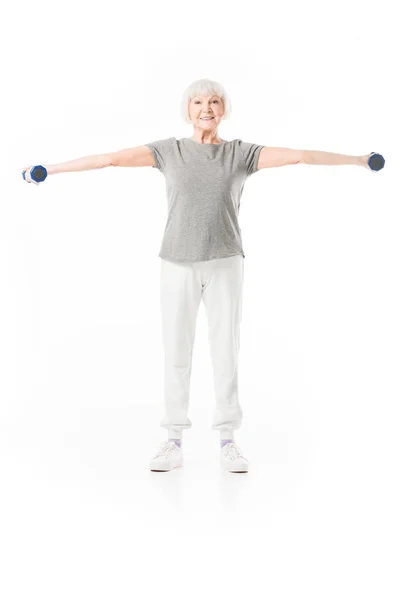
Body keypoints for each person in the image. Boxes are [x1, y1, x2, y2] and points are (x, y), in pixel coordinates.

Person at [22, 78, 380, 474]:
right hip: (176, 262)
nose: (206, 108)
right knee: (177, 352)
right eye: (197, 101)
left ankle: (228, 440)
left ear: (223, 109)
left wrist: (359, 159)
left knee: (225, 351)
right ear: (187, 109)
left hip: (226, 261)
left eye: (213, 101)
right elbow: (110, 159)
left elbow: (298, 155)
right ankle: (173, 440)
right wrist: (48, 170)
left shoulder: (240, 154)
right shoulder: (168, 152)